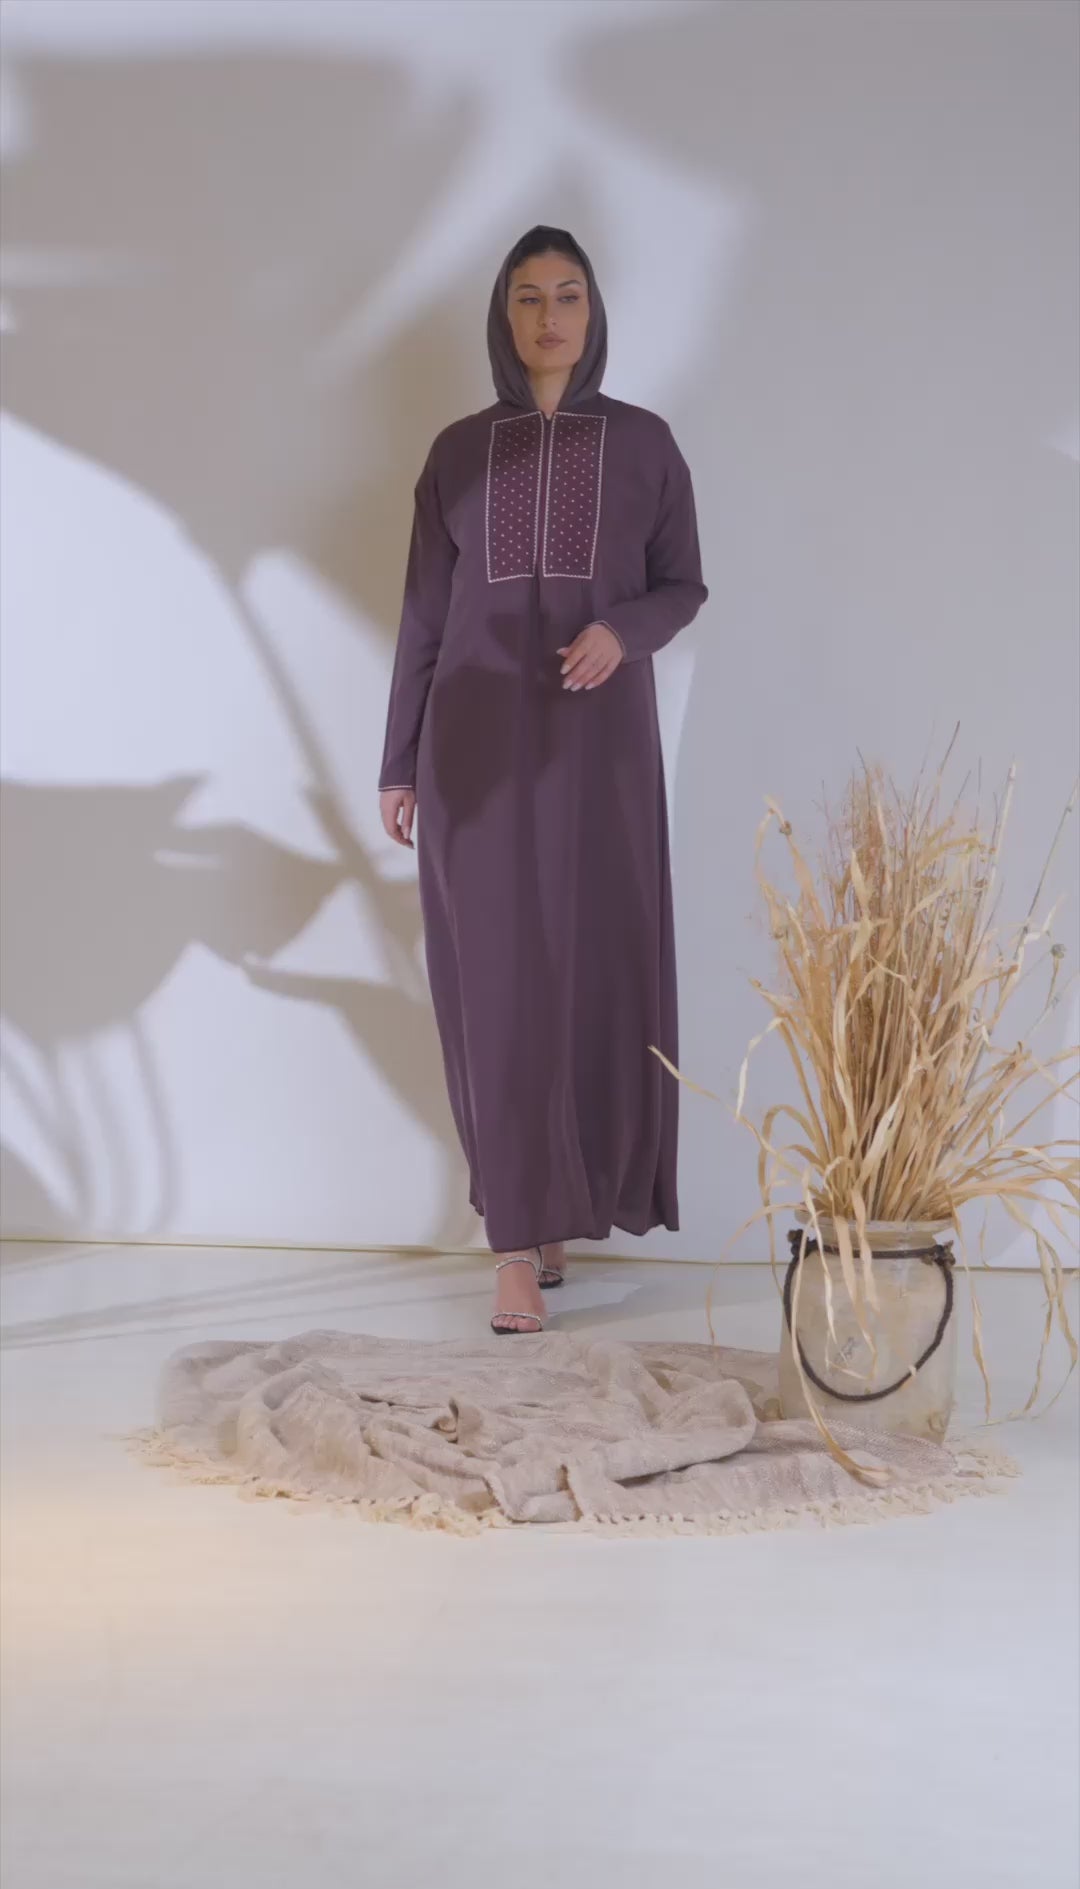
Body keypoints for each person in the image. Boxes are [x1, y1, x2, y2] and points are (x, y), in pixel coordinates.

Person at [378, 225, 708, 1334]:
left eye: (568, 295)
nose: (549, 316)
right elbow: (424, 617)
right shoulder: (457, 453)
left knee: (592, 973)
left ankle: (564, 1199)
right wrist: (397, 761)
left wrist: (622, 630)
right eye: (528, 297)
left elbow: (683, 585)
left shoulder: (647, 445)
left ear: (593, 311)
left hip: (599, 751)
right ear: (503, 316)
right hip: (472, 751)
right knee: (499, 987)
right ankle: (515, 1244)